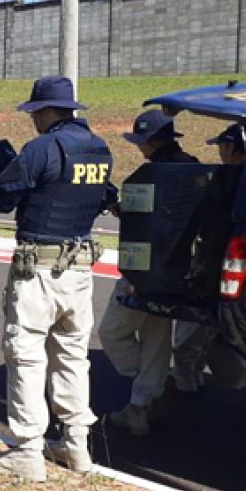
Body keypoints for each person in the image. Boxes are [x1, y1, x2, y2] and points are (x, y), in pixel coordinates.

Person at [0, 76, 114, 482]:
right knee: (73, 356)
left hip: (38, 269)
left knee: (26, 354)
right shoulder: (99, 148)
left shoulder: (42, 148)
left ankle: (27, 450)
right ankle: (76, 447)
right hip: (80, 268)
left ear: (44, 111)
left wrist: (2, 165)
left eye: (35, 114)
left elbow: (4, 198)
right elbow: (104, 196)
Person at [98, 110, 198, 437]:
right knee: (157, 337)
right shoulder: (194, 167)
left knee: (112, 332)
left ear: (152, 141)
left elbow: (141, 227)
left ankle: (152, 384)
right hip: (182, 272)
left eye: (141, 142)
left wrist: (119, 208)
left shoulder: (150, 175)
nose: (139, 148)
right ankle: (140, 405)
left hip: (145, 272)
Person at [168, 122, 246, 395]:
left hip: (217, 264)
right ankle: (193, 376)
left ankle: (185, 384)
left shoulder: (229, 180)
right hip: (243, 272)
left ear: (231, 147)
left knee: (191, 329)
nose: (219, 152)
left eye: (221, 146)